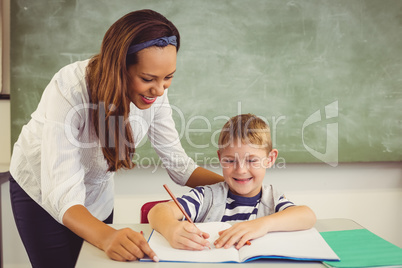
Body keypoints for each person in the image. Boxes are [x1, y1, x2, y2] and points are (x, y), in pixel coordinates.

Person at [9, 9, 223, 267]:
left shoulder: (156, 92)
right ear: (120, 67)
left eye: (168, 78)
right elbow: (63, 194)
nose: (158, 90)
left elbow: (180, 167)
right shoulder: (69, 89)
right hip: (42, 191)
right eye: (148, 79)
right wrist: (106, 237)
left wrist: (238, 186)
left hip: (96, 194)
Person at [148, 113, 316, 251]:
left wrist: (262, 224)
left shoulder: (273, 199)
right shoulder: (206, 196)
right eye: (230, 161)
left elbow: (308, 215)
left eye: (251, 160)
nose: (241, 170)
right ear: (220, 158)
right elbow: (157, 211)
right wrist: (171, 229)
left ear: (270, 159)